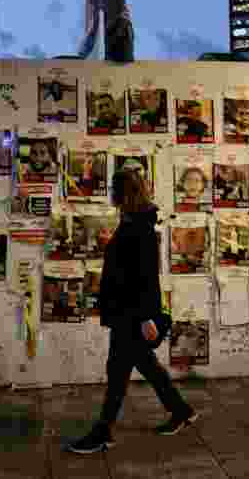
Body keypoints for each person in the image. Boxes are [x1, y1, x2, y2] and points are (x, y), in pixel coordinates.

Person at [68, 169, 196, 454]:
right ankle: (181, 411)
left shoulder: (140, 229)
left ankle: (103, 431)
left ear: (124, 193)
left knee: (117, 372)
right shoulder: (132, 223)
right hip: (126, 312)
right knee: (144, 366)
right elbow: (127, 267)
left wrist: (146, 317)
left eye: (114, 189)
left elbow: (146, 278)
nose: (111, 194)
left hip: (131, 314)